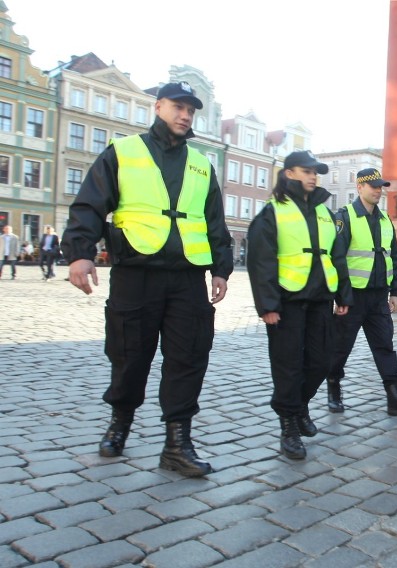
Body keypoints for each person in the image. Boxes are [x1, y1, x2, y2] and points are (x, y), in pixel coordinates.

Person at [60, 81, 233, 477]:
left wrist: (220, 268)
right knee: (129, 354)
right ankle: (120, 423)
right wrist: (80, 254)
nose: (185, 114)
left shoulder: (201, 164)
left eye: (191, 109)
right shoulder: (123, 152)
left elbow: (214, 222)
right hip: (136, 272)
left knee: (189, 357)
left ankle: (177, 443)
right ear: (158, 107)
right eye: (178, 106)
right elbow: (89, 204)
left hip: (188, 276)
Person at [247, 151, 353, 460]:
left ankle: (300, 406)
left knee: (321, 362)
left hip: (320, 300)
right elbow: (261, 261)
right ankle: (289, 425)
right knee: (288, 366)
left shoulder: (323, 213)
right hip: (287, 302)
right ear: (289, 173)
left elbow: (337, 256)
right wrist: (268, 305)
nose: (313, 176)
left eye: (315, 172)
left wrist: (343, 294)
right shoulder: (272, 212)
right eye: (306, 171)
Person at [327, 168, 397, 415]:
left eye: (381, 187)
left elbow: (394, 256)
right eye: (373, 186)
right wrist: (341, 297)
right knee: (340, 348)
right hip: (353, 298)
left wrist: (394, 291)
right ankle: (334, 388)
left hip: (379, 298)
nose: (378, 191)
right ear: (360, 187)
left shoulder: (385, 219)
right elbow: (337, 259)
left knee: (385, 347)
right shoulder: (344, 217)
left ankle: (395, 396)